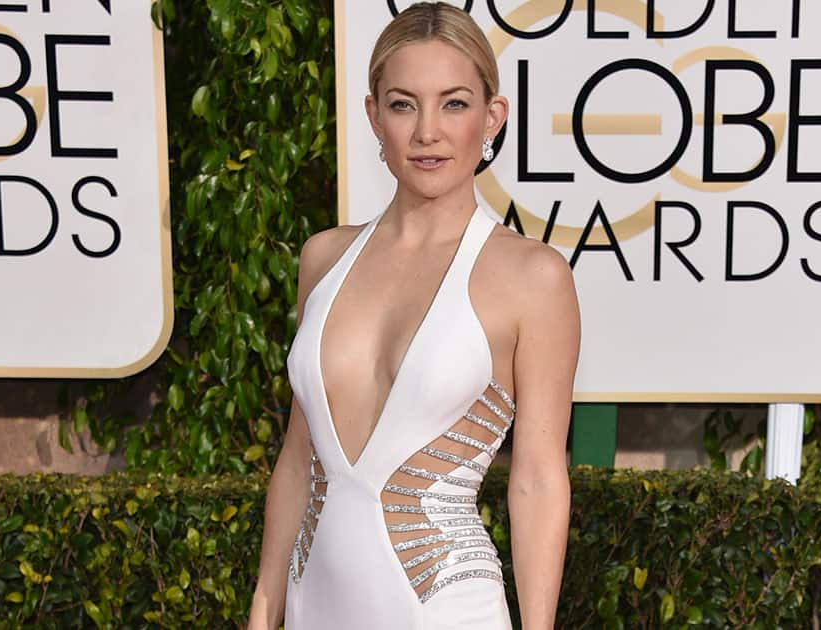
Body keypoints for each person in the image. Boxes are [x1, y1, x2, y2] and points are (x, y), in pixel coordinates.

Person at [247, 3, 580, 628]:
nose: (428, 131)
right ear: (374, 117)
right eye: (403, 104)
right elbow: (298, 460)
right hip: (312, 604)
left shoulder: (535, 278)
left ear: (492, 117)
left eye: (453, 103)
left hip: (445, 610)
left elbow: (537, 480)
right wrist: (264, 609)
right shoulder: (324, 258)